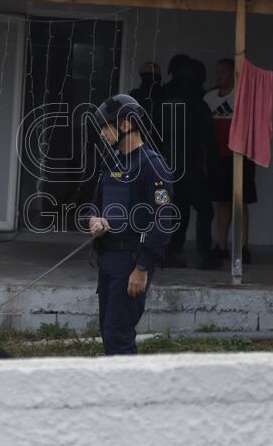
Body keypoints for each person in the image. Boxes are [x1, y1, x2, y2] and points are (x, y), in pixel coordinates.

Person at [85, 94, 175, 355]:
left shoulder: (152, 165)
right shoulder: (111, 161)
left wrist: (143, 268)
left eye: (105, 127)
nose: (102, 134)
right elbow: (94, 204)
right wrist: (94, 219)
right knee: (109, 332)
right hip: (108, 258)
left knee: (118, 334)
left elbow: (164, 219)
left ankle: (128, 382)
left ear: (125, 125)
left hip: (131, 261)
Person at [161, 56, 215, 268]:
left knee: (177, 209)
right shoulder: (198, 103)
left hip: (167, 164)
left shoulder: (164, 99)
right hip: (191, 164)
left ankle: (171, 251)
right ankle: (204, 255)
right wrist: (213, 165)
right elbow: (208, 138)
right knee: (205, 210)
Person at [203, 58, 256, 265]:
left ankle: (243, 246)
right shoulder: (209, 97)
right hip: (218, 158)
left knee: (240, 201)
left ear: (234, 74)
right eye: (217, 72)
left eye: (223, 72)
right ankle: (221, 245)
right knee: (222, 201)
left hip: (240, 157)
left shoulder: (242, 97)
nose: (219, 76)